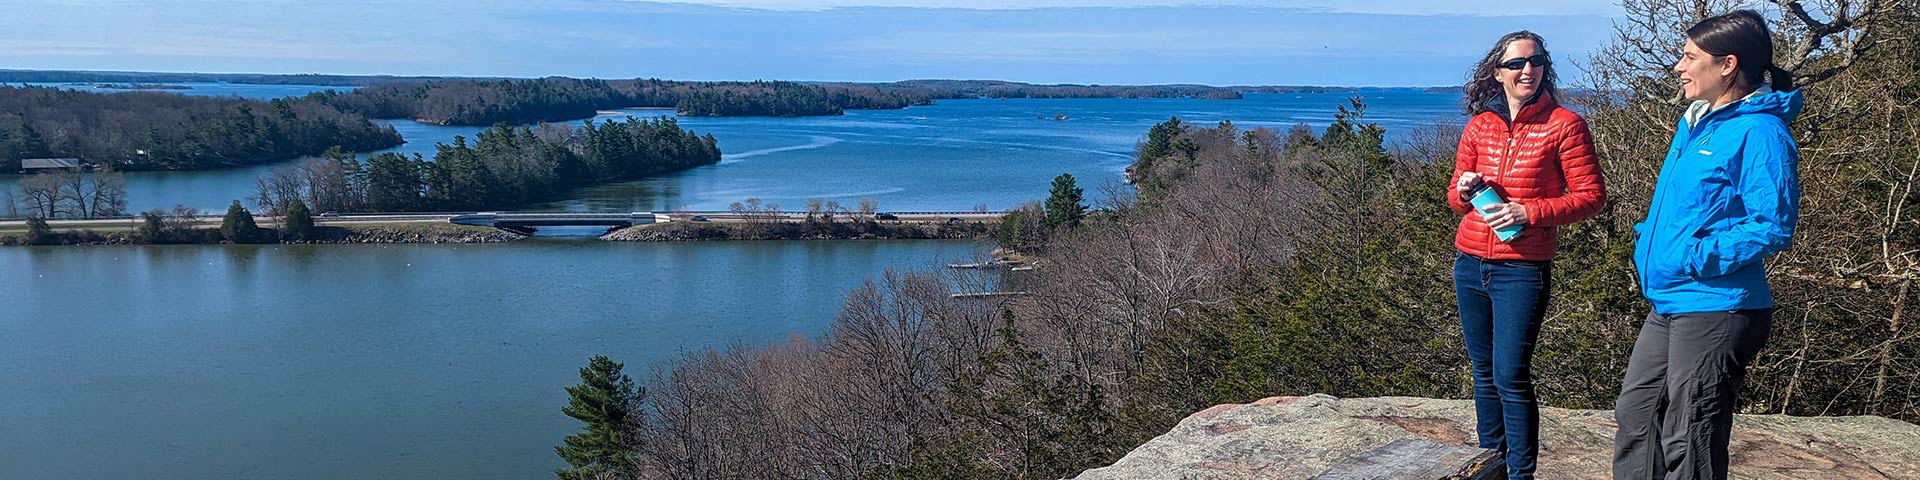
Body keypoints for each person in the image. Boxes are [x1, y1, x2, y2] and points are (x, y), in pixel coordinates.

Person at [1612, 10, 1801, 480]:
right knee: (1636, 415)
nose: (1679, 66)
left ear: (1727, 65)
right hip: (1671, 298)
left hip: (1718, 303)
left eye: (1689, 56)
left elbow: (1771, 224)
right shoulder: (1696, 122)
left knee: (1689, 429)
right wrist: (1648, 244)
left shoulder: (1761, 132)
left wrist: (1695, 255)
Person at [1447, 30, 1607, 479]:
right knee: (1482, 373)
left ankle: (1520, 475)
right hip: (1470, 261)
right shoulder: (1479, 126)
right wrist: (1463, 192)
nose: (1527, 70)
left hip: (1522, 268)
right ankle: (1488, 465)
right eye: (1516, 63)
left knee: (1510, 376)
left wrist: (1528, 210)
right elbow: (1455, 200)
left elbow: (1592, 197)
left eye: (1535, 61)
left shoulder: (1565, 125)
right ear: (1497, 72)